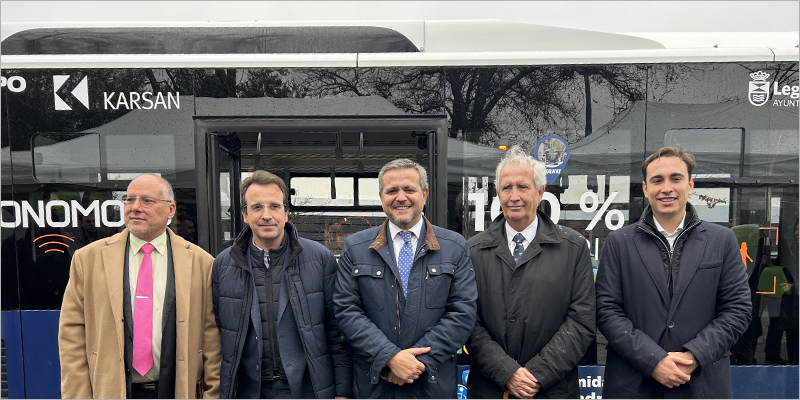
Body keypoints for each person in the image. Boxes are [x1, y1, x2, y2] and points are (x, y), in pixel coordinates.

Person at [596, 147, 751, 398]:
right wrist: (653, 360)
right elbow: (607, 311)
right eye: (657, 180)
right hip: (633, 386)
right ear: (646, 189)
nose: (666, 188)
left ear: (690, 185)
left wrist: (695, 355)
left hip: (701, 385)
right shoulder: (618, 242)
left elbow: (738, 309)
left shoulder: (722, 240)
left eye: (676, 178)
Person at [59, 174, 221, 398]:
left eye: (147, 200)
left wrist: (212, 394)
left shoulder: (202, 263)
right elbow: (72, 333)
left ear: (170, 210)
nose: (135, 207)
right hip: (112, 392)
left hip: (176, 391)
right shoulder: (88, 260)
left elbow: (211, 337)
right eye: (129, 199)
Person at [333, 158, 477, 398]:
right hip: (376, 386)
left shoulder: (455, 247)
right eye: (392, 191)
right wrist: (389, 357)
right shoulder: (355, 247)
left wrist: (415, 363)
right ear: (381, 197)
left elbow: (463, 313)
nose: (401, 197)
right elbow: (347, 311)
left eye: (409, 189)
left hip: (433, 387)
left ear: (425, 193)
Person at [466, 146, 596, 398]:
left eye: (523, 187)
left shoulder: (573, 247)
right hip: (490, 389)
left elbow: (581, 321)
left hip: (552, 389)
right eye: (507, 188)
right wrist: (507, 372)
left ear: (540, 193)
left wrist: (538, 373)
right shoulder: (473, 250)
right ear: (498, 194)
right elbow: (468, 322)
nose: (514, 196)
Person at [212, 170, 352, 399]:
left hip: (307, 389)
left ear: (286, 212)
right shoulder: (223, 265)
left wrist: (343, 392)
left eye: (274, 206)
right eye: (257, 207)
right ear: (245, 215)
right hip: (247, 391)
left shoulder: (320, 258)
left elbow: (337, 331)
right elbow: (221, 333)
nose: (267, 215)